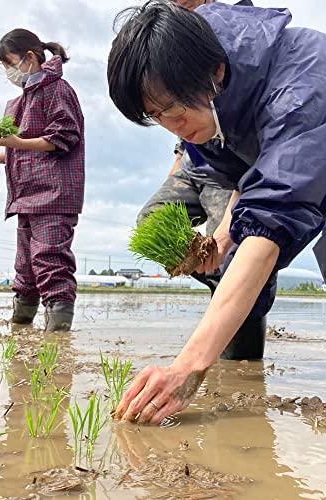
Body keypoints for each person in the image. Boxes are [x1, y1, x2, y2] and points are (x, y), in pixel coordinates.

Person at [107, 1, 326, 424]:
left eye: (172, 108)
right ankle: (241, 368)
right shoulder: (207, 107)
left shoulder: (303, 78)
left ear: (215, 74)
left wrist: (186, 368)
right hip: (305, 154)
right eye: (155, 116)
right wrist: (221, 242)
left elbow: (272, 219)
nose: (171, 124)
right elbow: (247, 185)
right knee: (232, 257)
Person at [137, 0, 267, 361]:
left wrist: (223, 237)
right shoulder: (166, 38)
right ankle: (214, 278)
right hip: (195, 160)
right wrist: (175, 172)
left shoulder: (233, 27)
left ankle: (240, 358)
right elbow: (182, 123)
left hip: (233, 164)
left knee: (238, 247)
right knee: (152, 219)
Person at [0, 29, 85, 332]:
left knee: (50, 260)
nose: (8, 72)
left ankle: (57, 337)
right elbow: (28, 153)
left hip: (54, 195)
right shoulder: (23, 100)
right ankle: (21, 327)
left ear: (30, 58)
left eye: (10, 63)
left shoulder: (57, 90)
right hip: (27, 197)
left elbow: (63, 137)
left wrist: (13, 143)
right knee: (25, 269)